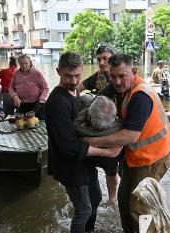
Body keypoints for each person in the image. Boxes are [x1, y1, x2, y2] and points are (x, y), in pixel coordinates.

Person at [84, 54, 170, 233]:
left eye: (121, 76)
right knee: (124, 200)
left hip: (153, 158)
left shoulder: (140, 96)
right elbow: (96, 101)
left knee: (140, 207)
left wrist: (90, 141)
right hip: (135, 157)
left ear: (134, 72)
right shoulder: (117, 86)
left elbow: (130, 136)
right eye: (113, 76)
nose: (117, 82)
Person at [45, 52, 122, 233]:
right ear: (58, 71)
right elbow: (68, 146)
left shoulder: (75, 93)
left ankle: (89, 230)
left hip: (84, 160)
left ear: (82, 71)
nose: (73, 81)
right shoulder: (57, 102)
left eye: (77, 76)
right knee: (84, 209)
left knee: (95, 199)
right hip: (68, 164)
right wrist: (106, 152)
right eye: (68, 76)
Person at [77, 44, 119, 205]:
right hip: (99, 127)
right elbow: (77, 89)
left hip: (116, 127)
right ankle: (96, 197)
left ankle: (113, 198)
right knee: (93, 160)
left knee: (112, 167)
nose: (102, 62)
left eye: (106, 59)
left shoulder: (120, 76)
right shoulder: (97, 77)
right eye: (99, 59)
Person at [9, 54, 49, 119]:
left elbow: (45, 88)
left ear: (30, 62)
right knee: (23, 124)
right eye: (21, 64)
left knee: (39, 124)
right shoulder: (16, 74)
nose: (24, 66)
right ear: (19, 64)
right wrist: (15, 96)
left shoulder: (36, 73)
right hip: (22, 104)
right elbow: (11, 88)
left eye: (26, 63)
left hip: (36, 104)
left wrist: (41, 100)